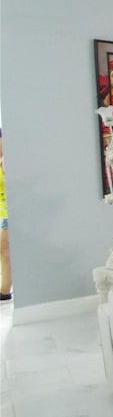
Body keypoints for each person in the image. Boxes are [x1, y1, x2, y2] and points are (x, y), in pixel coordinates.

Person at [0, 128, 12, 301]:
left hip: (14, 212)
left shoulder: (7, 161)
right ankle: (4, 290)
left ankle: (4, 290)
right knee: (4, 251)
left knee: (4, 250)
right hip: (6, 213)